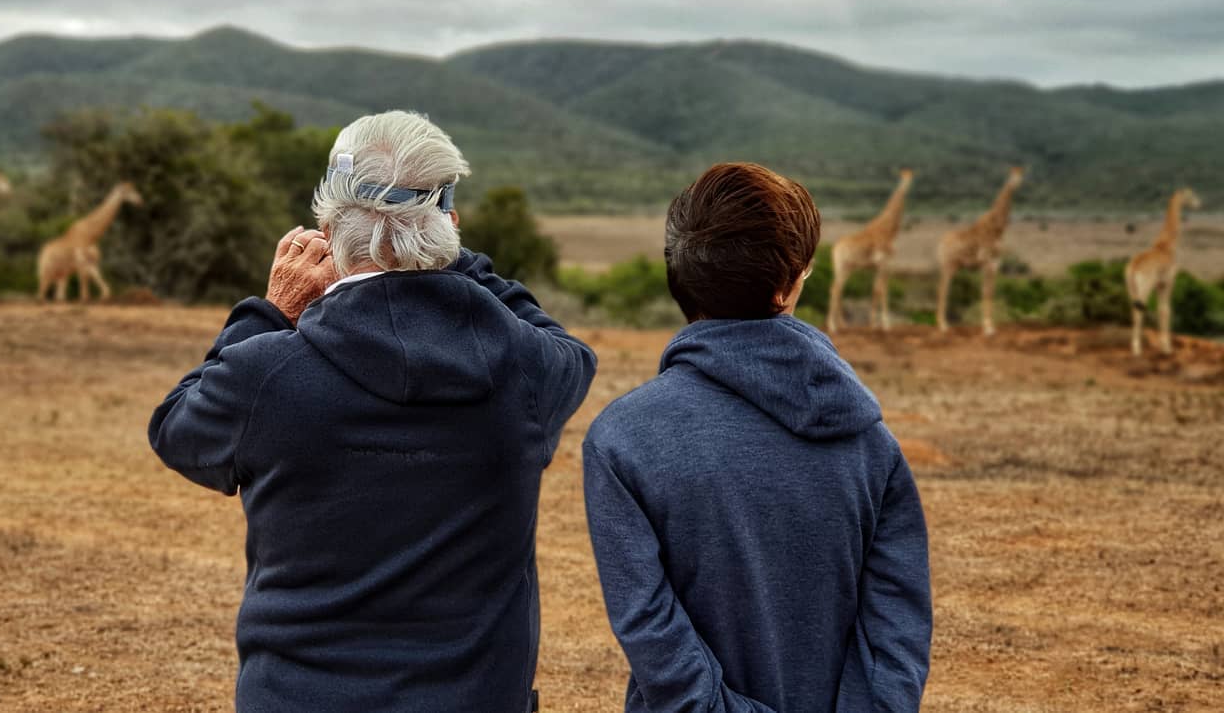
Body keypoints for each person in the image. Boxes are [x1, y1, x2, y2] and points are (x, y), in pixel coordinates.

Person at [148, 111, 597, 713]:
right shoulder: (528, 370)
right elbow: (570, 348)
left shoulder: (265, 373)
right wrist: (449, 255)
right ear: (448, 223)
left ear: (327, 230)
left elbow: (178, 430)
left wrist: (271, 311)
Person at [583, 162, 932, 713]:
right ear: (791, 282)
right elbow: (898, 624)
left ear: (678, 275)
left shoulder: (621, 440)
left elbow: (649, 627)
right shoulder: (870, 443)